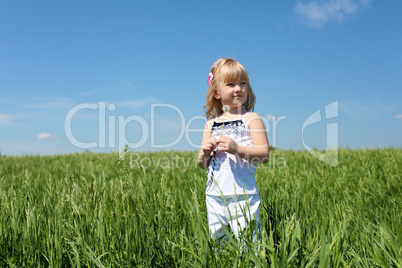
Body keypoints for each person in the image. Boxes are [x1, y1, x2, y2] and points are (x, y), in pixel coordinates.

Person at [197, 58, 270, 243]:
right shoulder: (211, 124)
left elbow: (264, 155)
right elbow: (201, 164)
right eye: (231, 84)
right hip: (214, 196)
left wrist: (236, 149)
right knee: (221, 246)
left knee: (249, 246)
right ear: (216, 92)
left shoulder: (251, 118)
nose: (238, 88)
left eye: (243, 83)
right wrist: (205, 153)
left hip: (243, 196)